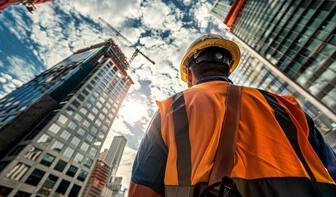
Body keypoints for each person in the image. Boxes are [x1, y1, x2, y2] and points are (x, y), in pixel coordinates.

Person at [128, 34, 336, 197]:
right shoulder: (284, 106)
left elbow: (143, 189)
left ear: (190, 74)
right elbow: (331, 166)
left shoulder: (171, 109)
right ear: (228, 70)